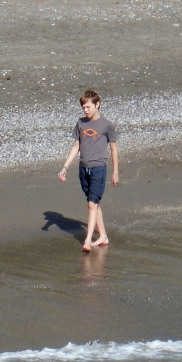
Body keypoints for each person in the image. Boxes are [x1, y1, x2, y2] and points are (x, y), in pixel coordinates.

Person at [58, 89, 119, 252]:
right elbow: (76, 146)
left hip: (99, 168)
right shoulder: (80, 123)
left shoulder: (106, 125)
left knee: (92, 205)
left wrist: (115, 172)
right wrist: (65, 166)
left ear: (97, 105)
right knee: (94, 204)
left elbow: (113, 149)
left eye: (88, 107)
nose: (85, 110)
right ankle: (103, 236)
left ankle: (87, 241)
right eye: (83, 107)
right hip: (83, 168)